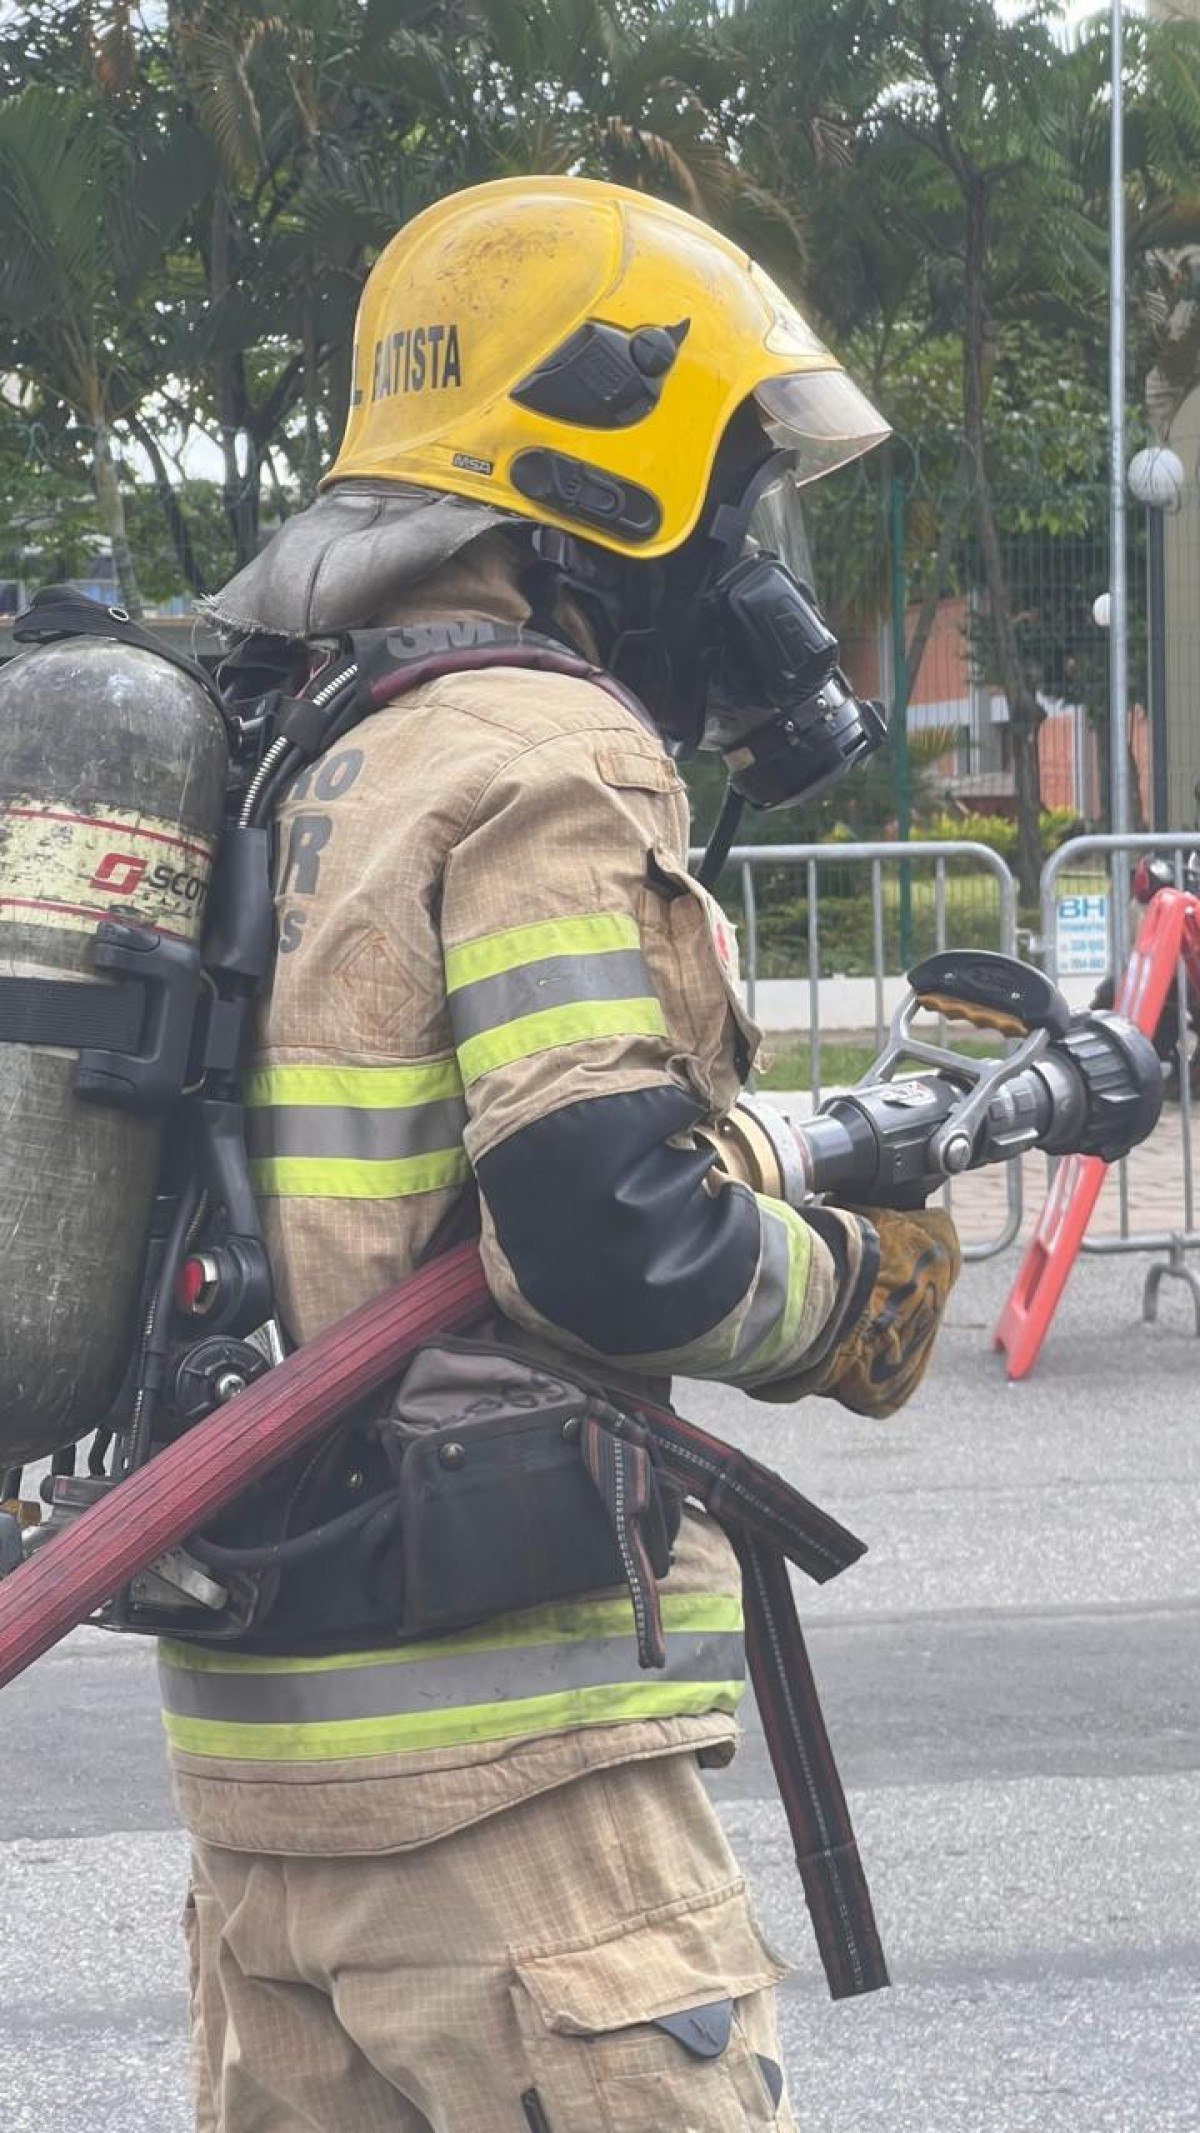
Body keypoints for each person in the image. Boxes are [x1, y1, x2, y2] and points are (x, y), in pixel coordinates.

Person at [166, 175, 960, 2133]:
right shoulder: (540, 746)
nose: (742, 561)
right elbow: (612, 1235)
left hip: (264, 1773)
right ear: (608, 475)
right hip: (512, 1778)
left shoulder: (275, 747)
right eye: (729, 493)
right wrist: (853, 1289)